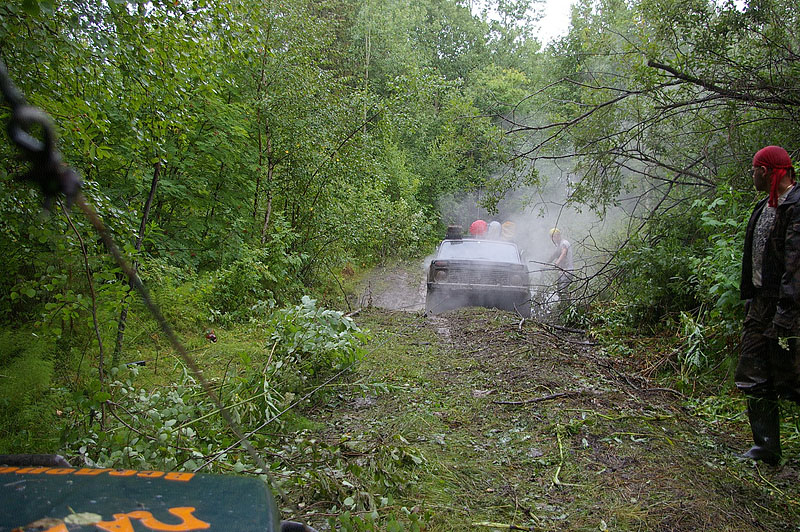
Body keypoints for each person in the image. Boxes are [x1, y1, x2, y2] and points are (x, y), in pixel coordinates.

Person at [737, 145, 800, 465]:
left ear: (765, 171)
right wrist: (752, 297)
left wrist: (787, 312)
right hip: (761, 304)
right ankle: (765, 448)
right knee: (752, 370)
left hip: (789, 307)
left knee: (793, 378)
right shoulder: (765, 205)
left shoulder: (796, 207)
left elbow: (795, 264)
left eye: (754, 170)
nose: (752, 176)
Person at [548, 228, 573, 305]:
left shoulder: (564, 243)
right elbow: (554, 255)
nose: (554, 239)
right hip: (562, 272)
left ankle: (566, 306)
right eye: (553, 237)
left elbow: (563, 253)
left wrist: (557, 263)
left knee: (563, 291)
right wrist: (546, 264)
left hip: (567, 271)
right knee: (559, 291)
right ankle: (563, 306)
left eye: (556, 236)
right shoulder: (559, 245)